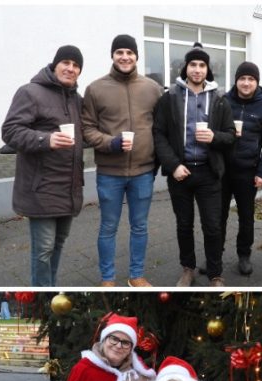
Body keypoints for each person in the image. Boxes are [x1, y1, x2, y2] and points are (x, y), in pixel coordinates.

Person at [81, 34, 163, 287]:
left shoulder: (152, 88)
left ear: (137, 56)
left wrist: (158, 161)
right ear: (113, 56)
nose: (125, 57)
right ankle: (107, 278)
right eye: (120, 52)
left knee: (139, 226)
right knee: (108, 227)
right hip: (109, 172)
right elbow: (87, 128)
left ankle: (136, 275)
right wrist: (110, 142)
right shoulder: (95, 89)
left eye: (129, 52)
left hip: (143, 171)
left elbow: (161, 127)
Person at [153, 42, 236, 287]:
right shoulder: (170, 97)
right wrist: (173, 165)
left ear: (207, 70)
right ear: (185, 68)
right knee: (184, 224)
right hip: (181, 172)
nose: (197, 69)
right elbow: (159, 133)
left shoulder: (219, 99)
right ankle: (187, 268)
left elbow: (231, 134)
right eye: (193, 64)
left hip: (209, 172)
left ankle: (215, 273)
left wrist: (215, 137)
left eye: (202, 65)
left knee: (212, 226)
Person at [1, 45, 85, 287]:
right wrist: (46, 139)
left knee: (58, 245)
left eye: (76, 65)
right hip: (41, 188)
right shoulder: (30, 92)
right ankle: (42, 294)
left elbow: (85, 135)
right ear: (55, 64)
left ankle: (51, 288)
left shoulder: (76, 100)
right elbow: (10, 131)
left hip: (68, 187)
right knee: (43, 250)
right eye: (66, 63)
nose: (70, 69)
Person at [223, 61, 262, 276]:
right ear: (236, 80)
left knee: (246, 216)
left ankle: (244, 255)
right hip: (223, 171)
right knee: (217, 217)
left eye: (251, 79)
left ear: (257, 82)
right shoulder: (224, 101)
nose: (246, 83)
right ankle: (215, 255)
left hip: (248, 170)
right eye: (242, 78)